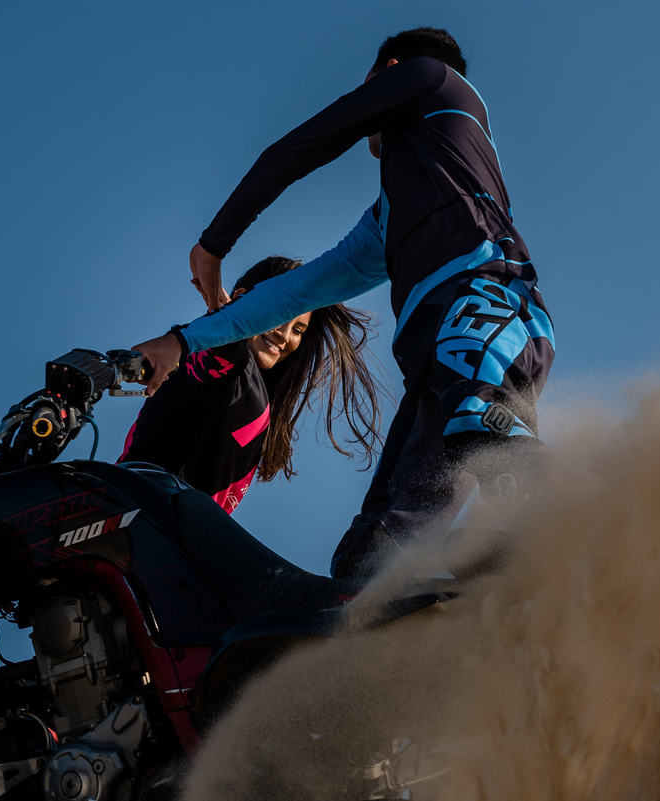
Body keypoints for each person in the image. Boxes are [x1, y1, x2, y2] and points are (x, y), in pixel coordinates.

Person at [134, 28, 554, 579]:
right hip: (437, 371)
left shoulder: (431, 77)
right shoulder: (391, 218)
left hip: (485, 310)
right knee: (369, 559)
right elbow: (296, 292)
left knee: (486, 434)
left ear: (389, 71)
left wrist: (214, 243)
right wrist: (183, 340)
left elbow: (300, 147)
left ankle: (565, 536)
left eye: (369, 87)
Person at [120, 255, 383, 513]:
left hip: (177, 545)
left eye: (298, 330)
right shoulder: (221, 358)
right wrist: (225, 314)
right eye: (281, 312)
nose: (284, 334)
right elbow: (225, 351)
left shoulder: (257, 396)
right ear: (243, 298)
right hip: (132, 514)